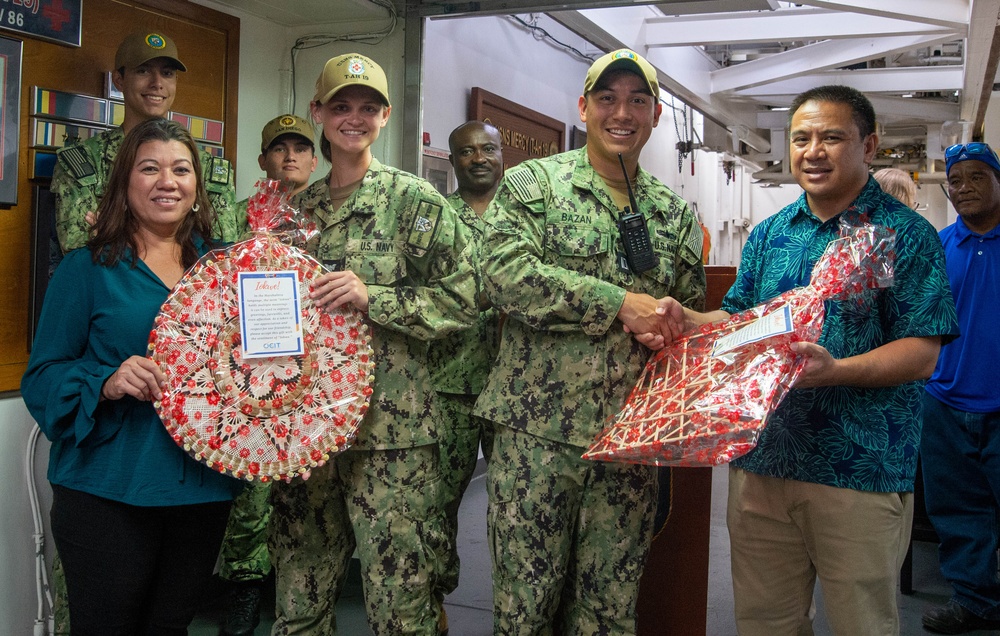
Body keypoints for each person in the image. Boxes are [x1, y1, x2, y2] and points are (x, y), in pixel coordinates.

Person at [654, 85, 959, 635]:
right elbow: (742, 319)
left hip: (857, 470)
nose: (813, 150)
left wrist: (836, 371)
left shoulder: (903, 235)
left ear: (869, 146)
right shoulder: (770, 234)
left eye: (831, 137)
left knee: (861, 625)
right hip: (761, 465)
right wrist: (689, 322)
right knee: (765, 623)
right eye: (802, 138)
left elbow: (922, 353)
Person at [475, 49, 707, 634]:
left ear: (655, 115)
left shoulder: (674, 215)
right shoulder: (534, 184)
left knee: (608, 609)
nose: (621, 112)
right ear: (583, 107)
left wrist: (674, 321)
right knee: (524, 608)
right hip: (537, 436)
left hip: (627, 443)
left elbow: (685, 311)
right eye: (607, 98)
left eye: (637, 101)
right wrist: (618, 304)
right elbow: (502, 275)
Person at [267, 53, 476, 635]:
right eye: (340, 107)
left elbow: (467, 300)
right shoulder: (293, 215)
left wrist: (374, 297)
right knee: (299, 594)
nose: (352, 119)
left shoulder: (415, 202)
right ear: (318, 114)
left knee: (399, 602)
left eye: (366, 108)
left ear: (385, 117)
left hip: (391, 436)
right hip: (305, 431)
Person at [21, 118, 242, 634]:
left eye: (181, 169)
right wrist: (106, 379)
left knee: (171, 626)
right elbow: (43, 376)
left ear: (196, 186)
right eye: (150, 168)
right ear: (125, 182)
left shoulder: (223, 273)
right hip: (108, 489)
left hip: (201, 489)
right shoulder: (87, 269)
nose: (168, 181)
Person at [218, 113, 318, 636]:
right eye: (279, 148)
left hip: (315, 374)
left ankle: (299, 593)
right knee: (252, 485)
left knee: (308, 483)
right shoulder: (233, 221)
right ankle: (244, 587)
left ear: (314, 158)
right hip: (249, 371)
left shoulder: (327, 217)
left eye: (301, 147)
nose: (290, 156)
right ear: (263, 160)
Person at [51, 31, 239, 255]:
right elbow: (78, 250)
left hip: (191, 288)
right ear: (119, 80)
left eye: (167, 73)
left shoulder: (207, 167)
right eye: (143, 71)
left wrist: (114, 232)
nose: (157, 83)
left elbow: (222, 255)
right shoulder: (84, 161)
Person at [920, 142, 1000, 634]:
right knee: (957, 510)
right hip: (944, 401)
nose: (964, 187)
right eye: (956, 180)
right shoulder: (939, 247)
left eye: (977, 177)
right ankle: (974, 601)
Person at [426, 120, 504, 609]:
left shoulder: (525, 218)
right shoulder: (434, 216)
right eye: (467, 151)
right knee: (437, 504)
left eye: (487, 149)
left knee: (517, 508)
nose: (478, 158)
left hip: (515, 390)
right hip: (448, 385)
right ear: (452, 160)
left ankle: (520, 609)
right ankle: (433, 604)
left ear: (502, 155)